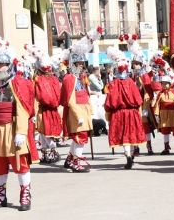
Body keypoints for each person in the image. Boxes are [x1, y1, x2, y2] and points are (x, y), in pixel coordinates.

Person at [0, 24, 39, 211]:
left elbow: (22, 109)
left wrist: (21, 132)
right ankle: (0, 195)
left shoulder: (17, 83)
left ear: (9, 65)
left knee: (20, 163)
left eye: (0, 64)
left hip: (13, 129)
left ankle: (25, 193)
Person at [60, 27, 103, 173]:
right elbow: (70, 99)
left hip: (83, 111)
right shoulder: (69, 78)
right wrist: (78, 115)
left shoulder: (79, 78)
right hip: (76, 113)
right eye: (78, 64)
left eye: (81, 64)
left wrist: (89, 110)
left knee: (81, 136)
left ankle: (70, 158)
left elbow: (84, 93)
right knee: (80, 137)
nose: (81, 66)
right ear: (72, 64)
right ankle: (75, 162)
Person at [104, 47, 144, 169]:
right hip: (132, 112)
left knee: (124, 135)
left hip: (119, 113)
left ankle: (128, 155)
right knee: (131, 134)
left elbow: (110, 102)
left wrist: (109, 115)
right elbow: (138, 99)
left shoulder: (114, 83)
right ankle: (130, 155)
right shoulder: (131, 82)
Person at [28, 46, 62, 165]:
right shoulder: (54, 79)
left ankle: (49, 153)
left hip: (43, 109)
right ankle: (49, 153)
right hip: (53, 109)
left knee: (44, 132)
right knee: (47, 132)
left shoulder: (38, 80)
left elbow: (38, 95)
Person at [153, 74, 174, 155]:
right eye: (162, 83)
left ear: (170, 84)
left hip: (173, 115)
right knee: (165, 131)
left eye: (165, 83)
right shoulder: (160, 94)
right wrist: (156, 115)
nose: (163, 85)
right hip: (163, 115)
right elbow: (157, 105)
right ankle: (166, 148)